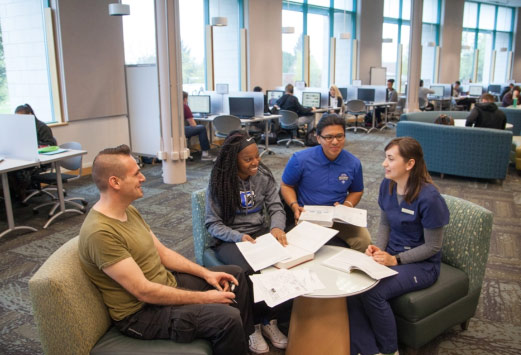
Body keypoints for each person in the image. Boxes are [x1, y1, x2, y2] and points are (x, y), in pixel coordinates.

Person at [78, 144, 254, 355]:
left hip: (163, 283)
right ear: (115, 182)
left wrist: (206, 273)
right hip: (141, 315)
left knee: (235, 275)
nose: (143, 178)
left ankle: (240, 342)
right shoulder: (100, 233)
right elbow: (143, 291)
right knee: (227, 317)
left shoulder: (129, 211)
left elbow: (163, 253)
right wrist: (205, 298)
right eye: (136, 174)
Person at [348, 137, 450, 355]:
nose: (384, 164)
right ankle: (366, 349)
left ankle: (389, 350)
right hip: (392, 255)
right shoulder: (388, 185)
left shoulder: (430, 198)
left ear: (410, 164)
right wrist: (379, 248)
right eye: (385, 157)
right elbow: (385, 223)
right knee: (354, 284)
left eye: (390, 159)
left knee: (372, 292)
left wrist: (396, 260)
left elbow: (433, 246)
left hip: (422, 266)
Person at [205, 130, 289, 354]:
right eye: (248, 159)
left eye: (257, 156)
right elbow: (213, 224)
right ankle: (252, 327)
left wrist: (277, 227)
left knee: (279, 262)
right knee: (247, 270)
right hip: (230, 238)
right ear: (234, 161)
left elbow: (276, 207)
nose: (255, 162)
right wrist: (238, 236)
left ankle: (269, 321)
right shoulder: (219, 182)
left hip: (259, 233)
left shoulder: (263, 176)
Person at [280, 113, 371, 252]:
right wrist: (294, 206)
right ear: (318, 138)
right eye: (328, 137)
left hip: (338, 216)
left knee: (364, 240)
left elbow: (356, 191)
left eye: (339, 136)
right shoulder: (300, 159)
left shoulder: (353, 163)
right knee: (297, 249)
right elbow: (286, 185)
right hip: (310, 215)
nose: (335, 142)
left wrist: (346, 206)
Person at [9, 104, 57, 200]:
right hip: (25, 158)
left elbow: (51, 144)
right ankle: (13, 194)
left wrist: (32, 144)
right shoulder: (20, 129)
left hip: (41, 160)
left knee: (18, 171)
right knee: (9, 171)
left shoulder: (42, 127)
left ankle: (21, 193)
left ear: (30, 115)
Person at [183, 91, 213, 161]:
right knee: (201, 128)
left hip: (169, 132)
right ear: (185, 99)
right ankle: (205, 154)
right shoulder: (185, 107)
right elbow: (193, 125)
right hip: (181, 131)